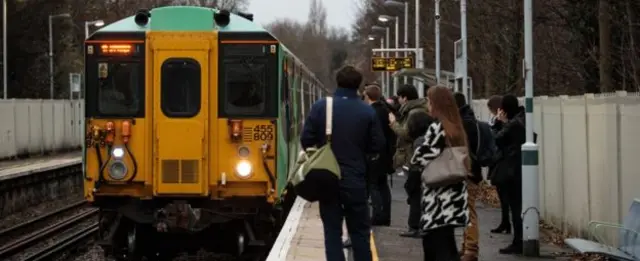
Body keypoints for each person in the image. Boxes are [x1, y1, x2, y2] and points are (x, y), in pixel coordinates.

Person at [300, 66, 384, 261]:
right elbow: (377, 145)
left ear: (338, 82)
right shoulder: (367, 111)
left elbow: (306, 140)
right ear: (359, 86)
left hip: (327, 179)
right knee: (360, 231)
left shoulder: (321, 107)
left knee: (332, 231)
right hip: (356, 179)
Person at [410, 85, 469, 261]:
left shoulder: (437, 128)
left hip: (438, 197)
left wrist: (417, 154)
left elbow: (421, 156)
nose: (428, 105)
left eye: (429, 101)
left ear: (437, 104)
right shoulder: (456, 127)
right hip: (453, 194)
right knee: (447, 244)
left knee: (435, 246)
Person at [388, 84, 427, 238]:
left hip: (414, 157)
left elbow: (407, 134)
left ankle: (415, 226)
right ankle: (417, 224)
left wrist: (393, 123)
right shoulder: (418, 109)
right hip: (416, 156)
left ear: (405, 97)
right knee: (415, 191)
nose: (399, 100)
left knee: (414, 191)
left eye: (399, 97)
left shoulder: (413, 113)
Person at [491, 94, 526, 254]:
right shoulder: (522, 119)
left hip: (512, 169)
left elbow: (497, 139)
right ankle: (519, 239)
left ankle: (518, 241)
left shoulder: (513, 124)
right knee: (516, 206)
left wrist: (499, 123)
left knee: (515, 206)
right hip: (518, 168)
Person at [362, 84, 395, 226]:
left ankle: (377, 216)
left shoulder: (370, 112)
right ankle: (386, 216)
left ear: (368, 97)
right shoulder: (385, 109)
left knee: (373, 185)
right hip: (386, 154)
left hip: (375, 155)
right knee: (383, 185)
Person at [453, 92, 481, 261]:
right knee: (466, 211)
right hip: (471, 171)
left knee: (469, 212)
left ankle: (471, 249)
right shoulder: (470, 121)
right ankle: (467, 246)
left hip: (467, 173)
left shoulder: (464, 124)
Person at [486, 95, 511, 234]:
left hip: (501, 162)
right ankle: (505, 221)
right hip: (498, 162)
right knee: (503, 196)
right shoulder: (497, 122)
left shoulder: (502, 123)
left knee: (505, 196)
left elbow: (497, 139)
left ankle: (506, 222)